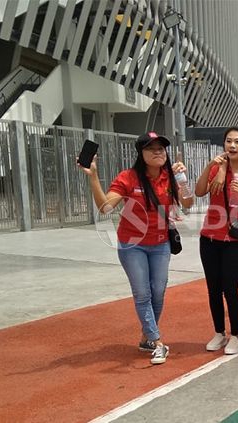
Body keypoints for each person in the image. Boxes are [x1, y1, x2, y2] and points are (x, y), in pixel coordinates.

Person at [78, 132, 194, 365]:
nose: (158, 152)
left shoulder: (169, 176)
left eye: (161, 148)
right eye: (152, 148)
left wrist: (183, 181)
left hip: (160, 243)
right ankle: (157, 341)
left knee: (158, 291)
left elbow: (188, 204)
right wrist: (93, 177)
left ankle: (146, 337)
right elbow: (105, 208)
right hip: (133, 245)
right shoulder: (128, 178)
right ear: (141, 154)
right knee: (143, 294)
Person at [195, 127, 238, 355]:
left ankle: (237, 335)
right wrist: (211, 167)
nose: (232, 146)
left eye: (237, 142)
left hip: (234, 240)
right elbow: (199, 191)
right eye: (228, 141)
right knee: (213, 289)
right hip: (209, 237)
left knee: (230, 289)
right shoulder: (215, 169)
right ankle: (219, 333)